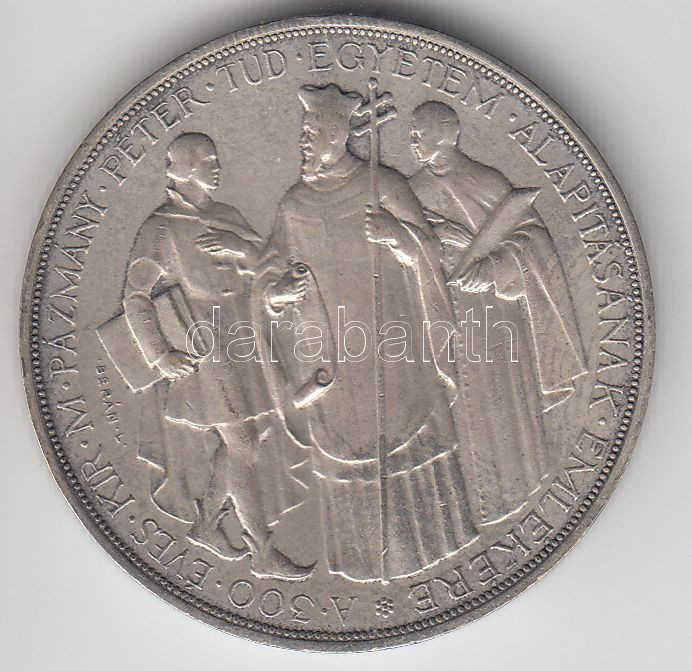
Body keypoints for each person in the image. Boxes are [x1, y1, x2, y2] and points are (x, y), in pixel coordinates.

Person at [256, 85, 478, 582]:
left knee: (408, 452)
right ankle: (359, 568)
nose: (305, 141)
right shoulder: (293, 205)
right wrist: (277, 294)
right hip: (332, 367)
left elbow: (430, 255)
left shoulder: (384, 185)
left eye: (313, 132)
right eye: (304, 133)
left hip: (393, 356)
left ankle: (431, 555)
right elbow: (268, 273)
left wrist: (399, 238)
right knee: (346, 461)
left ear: (339, 135)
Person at [124, 132, 313, 579]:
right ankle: (261, 551)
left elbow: (266, 270)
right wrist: (160, 355)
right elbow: (136, 296)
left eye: (214, 158)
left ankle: (207, 523)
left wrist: (245, 253)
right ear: (182, 168)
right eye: (206, 160)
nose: (216, 166)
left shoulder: (227, 216)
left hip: (246, 340)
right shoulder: (161, 227)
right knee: (243, 442)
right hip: (207, 353)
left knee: (251, 438)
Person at [409, 101, 587, 525]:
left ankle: (518, 496)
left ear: (447, 134)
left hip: (495, 322)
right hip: (439, 323)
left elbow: (531, 243)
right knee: (456, 415)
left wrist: (491, 271)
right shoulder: (410, 191)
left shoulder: (487, 183)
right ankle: (469, 512)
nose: (412, 141)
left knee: (505, 411)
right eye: (412, 134)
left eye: (420, 133)